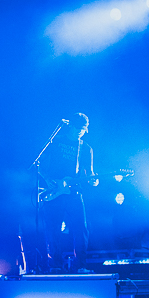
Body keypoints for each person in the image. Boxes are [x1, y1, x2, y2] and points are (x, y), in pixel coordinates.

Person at [38, 113, 97, 272]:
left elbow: (90, 172)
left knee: (81, 228)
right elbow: (40, 164)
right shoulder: (56, 141)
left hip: (74, 192)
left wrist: (94, 180)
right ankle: (55, 266)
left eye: (83, 129)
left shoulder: (86, 148)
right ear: (70, 126)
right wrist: (48, 179)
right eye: (78, 128)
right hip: (54, 191)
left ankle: (81, 266)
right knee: (52, 229)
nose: (80, 131)